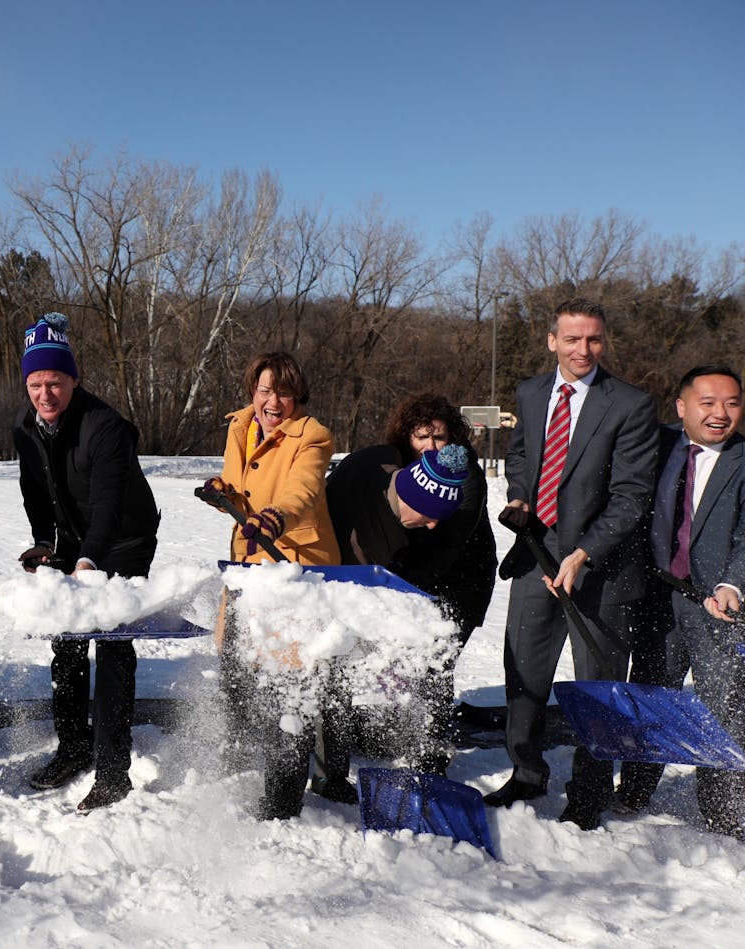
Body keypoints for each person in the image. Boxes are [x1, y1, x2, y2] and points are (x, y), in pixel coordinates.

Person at [491, 298, 656, 830]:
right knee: (523, 671)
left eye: (593, 340)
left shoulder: (630, 404)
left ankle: (586, 793)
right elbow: (521, 457)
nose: (583, 350)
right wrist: (520, 496)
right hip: (535, 557)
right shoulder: (532, 392)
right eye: (572, 339)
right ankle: (525, 772)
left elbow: (632, 495)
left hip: (600, 568)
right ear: (552, 341)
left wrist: (585, 553)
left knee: (598, 685)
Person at [13, 312, 160, 812]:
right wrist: (44, 542)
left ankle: (114, 770)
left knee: (113, 646)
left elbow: (110, 502)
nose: (45, 394)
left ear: (73, 380)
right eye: (35, 383)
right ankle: (73, 748)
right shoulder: (25, 427)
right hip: (76, 536)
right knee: (67, 642)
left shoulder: (105, 426)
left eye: (55, 382)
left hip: (125, 537)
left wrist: (90, 560)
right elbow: (34, 489)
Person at [199, 351, 340, 820]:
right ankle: (251, 765)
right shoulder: (240, 426)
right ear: (252, 392)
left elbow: (302, 491)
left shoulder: (313, 436)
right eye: (264, 390)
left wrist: (276, 516)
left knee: (290, 685)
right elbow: (242, 490)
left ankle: (282, 798)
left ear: (296, 396)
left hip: (292, 564)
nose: (272, 401)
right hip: (248, 562)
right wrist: (224, 495)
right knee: (241, 670)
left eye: (283, 392)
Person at [325, 396, 497, 777]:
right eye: (423, 437)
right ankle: (402, 735)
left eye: (440, 437)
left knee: (433, 661)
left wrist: (401, 589)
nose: (432, 446)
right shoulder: (401, 467)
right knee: (404, 663)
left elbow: (448, 547)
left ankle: (431, 755)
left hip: (459, 581)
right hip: (413, 573)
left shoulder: (460, 473)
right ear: (407, 437)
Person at [617, 366, 745, 836]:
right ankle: (633, 791)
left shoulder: (743, 458)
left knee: (723, 708)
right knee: (651, 696)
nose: (720, 414)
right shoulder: (656, 444)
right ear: (682, 407)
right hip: (656, 597)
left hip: (719, 606)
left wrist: (733, 583)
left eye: (732, 403)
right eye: (708, 403)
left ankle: (722, 812)